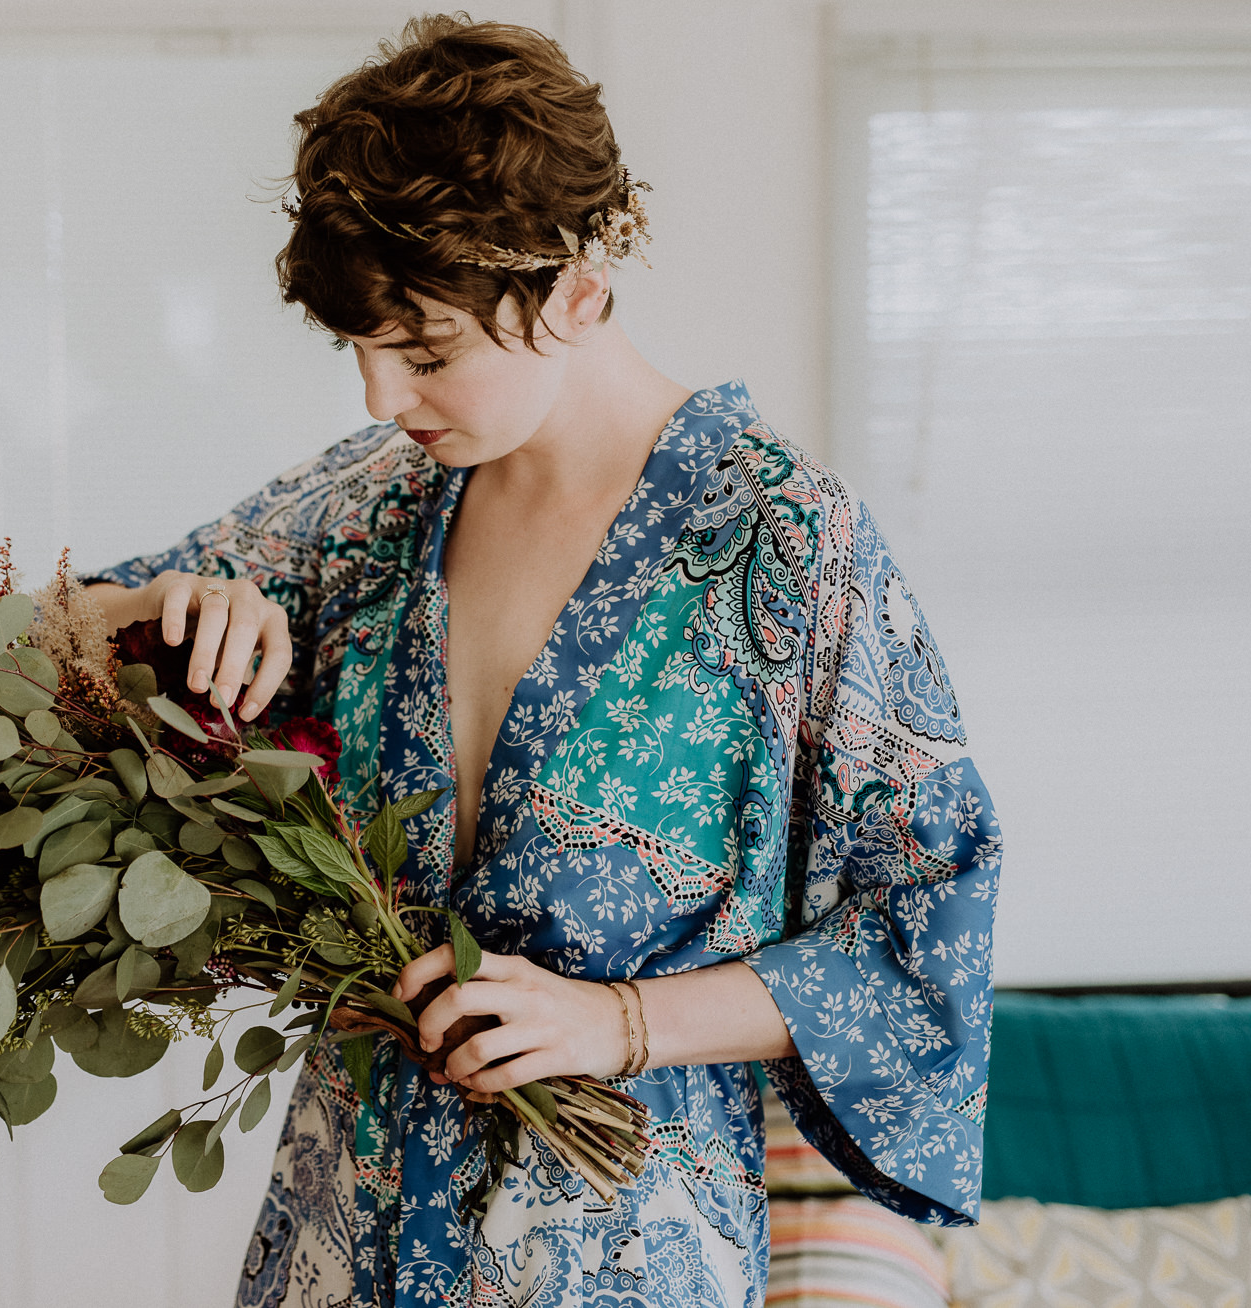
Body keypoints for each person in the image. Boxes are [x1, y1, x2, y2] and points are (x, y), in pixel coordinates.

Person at [86, 16, 1001, 1308]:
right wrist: (168, 608)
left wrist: (617, 1024)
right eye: (358, 351)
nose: (377, 399)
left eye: (422, 351)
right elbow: (62, 647)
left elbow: (926, 925)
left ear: (576, 292)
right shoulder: (371, 511)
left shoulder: (786, 546)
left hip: (619, 1266)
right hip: (340, 1246)